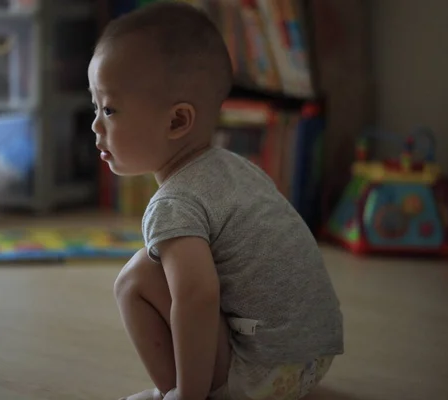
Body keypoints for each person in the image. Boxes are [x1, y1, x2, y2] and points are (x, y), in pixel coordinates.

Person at [87, 2, 344, 399]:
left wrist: (191, 395)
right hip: (312, 360)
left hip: (264, 372)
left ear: (176, 121)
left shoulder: (175, 202)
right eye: (94, 106)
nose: (95, 124)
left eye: (109, 109)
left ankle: (182, 394)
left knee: (136, 279)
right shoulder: (235, 169)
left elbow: (198, 297)